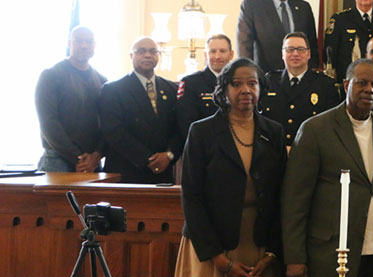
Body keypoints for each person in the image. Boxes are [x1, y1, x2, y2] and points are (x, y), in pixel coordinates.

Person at [282, 59, 373, 277]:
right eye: (361, 83)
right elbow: (295, 200)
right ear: (346, 85)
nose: (369, 89)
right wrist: (294, 257)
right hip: (327, 259)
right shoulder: (316, 130)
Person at [173, 58, 286, 277]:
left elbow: (281, 195)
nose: (246, 90)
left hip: (257, 243)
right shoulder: (202, 131)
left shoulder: (273, 131)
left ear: (260, 89)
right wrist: (218, 258)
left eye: (252, 83)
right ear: (224, 90)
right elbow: (191, 196)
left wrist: (272, 253)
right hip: (212, 243)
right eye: (236, 84)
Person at [99, 37, 181, 183]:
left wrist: (168, 155)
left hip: (163, 172)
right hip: (126, 171)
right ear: (131, 56)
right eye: (141, 51)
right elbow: (113, 131)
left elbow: (179, 128)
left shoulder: (171, 89)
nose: (147, 55)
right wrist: (147, 159)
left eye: (152, 51)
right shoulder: (113, 90)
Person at [35, 26, 106, 172]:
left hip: (92, 164)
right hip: (57, 161)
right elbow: (49, 123)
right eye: (79, 41)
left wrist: (96, 156)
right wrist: (78, 158)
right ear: (69, 43)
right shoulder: (51, 76)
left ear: (95, 45)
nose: (84, 45)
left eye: (89, 42)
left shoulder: (102, 80)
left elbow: (107, 124)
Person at [261, 32, 340, 150]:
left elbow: (330, 127)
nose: (295, 54)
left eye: (300, 49)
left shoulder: (325, 85)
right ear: (282, 53)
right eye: (290, 49)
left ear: (308, 54)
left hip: (309, 153)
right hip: (273, 152)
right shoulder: (268, 82)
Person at [236, 0, 319, 73]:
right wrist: (247, 73)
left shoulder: (304, 7)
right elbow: (244, 45)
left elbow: (311, 43)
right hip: (265, 74)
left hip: (300, 74)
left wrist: (312, 71)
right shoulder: (252, 6)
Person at [176, 34, 234, 140]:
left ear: (231, 54)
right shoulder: (191, 83)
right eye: (213, 51)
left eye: (222, 51)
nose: (217, 56)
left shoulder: (238, 82)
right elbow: (186, 124)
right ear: (205, 55)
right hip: (204, 148)